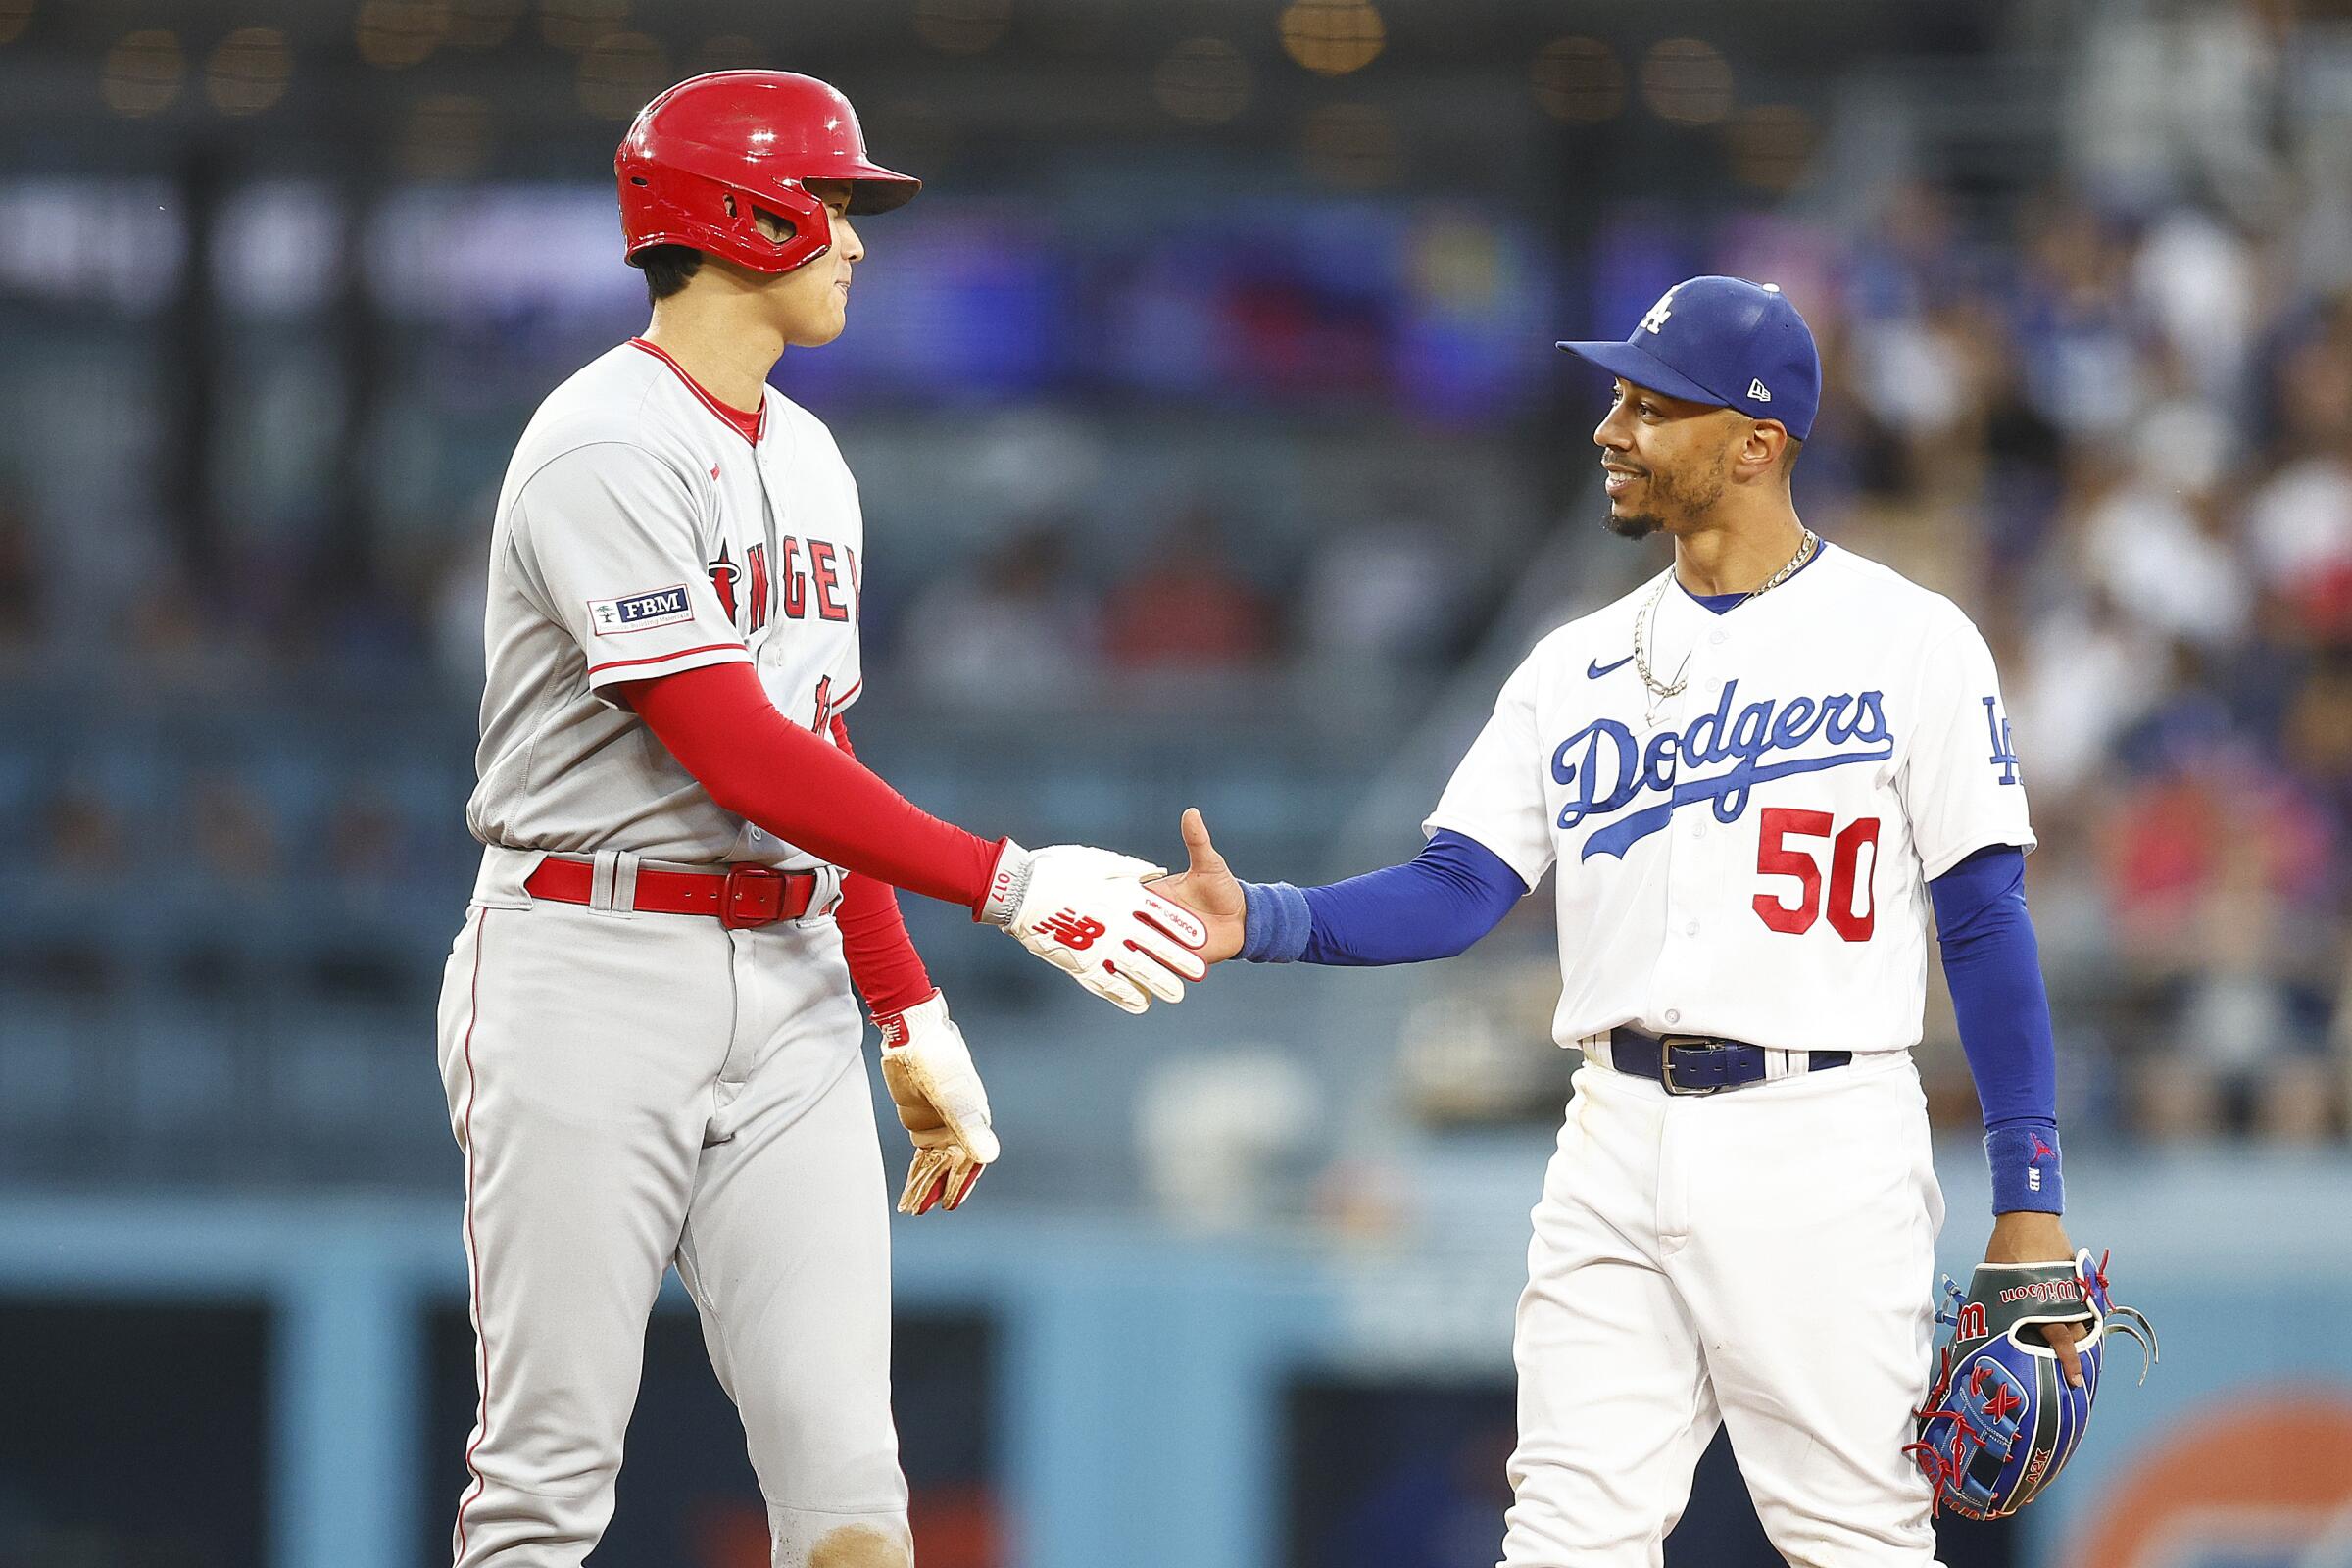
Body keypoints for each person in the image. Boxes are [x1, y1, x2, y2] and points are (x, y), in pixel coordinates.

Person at [1152, 276, 2084, 1565]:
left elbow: (1983, 924)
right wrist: (1261, 916)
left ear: (1757, 445)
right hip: (1610, 1125)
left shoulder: (1909, 641)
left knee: (1854, 1538)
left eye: (1652, 405)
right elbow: (1459, 889)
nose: (1611, 427)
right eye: (1617, 397)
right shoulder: (1570, 663)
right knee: (1564, 1539)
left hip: (1819, 1133)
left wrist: (2028, 1189)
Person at [434, 71, 1205, 1568]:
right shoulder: (603, 439)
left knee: (852, 1487)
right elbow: (730, 747)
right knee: (546, 1483)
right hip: (591, 965)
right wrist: (1010, 884)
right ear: (744, 216)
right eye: (837, 205)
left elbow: (816, 739)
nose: (857, 238)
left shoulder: (808, 453)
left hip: (786, 987)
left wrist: (904, 1005)